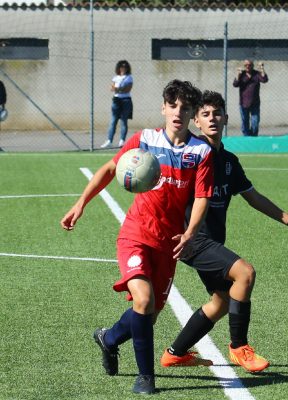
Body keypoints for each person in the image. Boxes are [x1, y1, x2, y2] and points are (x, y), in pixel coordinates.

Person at [61, 80, 214, 394]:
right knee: (143, 301)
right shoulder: (144, 140)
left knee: (149, 315)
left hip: (169, 244)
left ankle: (109, 338)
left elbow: (202, 197)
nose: (178, 112)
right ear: (163, 107)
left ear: (191, 114)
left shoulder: (200, 151)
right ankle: (146, 377)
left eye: (185, 108)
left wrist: (190, 231)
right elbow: (108, 168)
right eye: (173, 105)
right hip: (136, 235)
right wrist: (80, 204)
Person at [159, 90, 288, 373]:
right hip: (192, 239)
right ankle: (239, 348)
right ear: (196, 121)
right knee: (245, 273)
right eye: (205, 114)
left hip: (210, 241)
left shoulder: (228, 161)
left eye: (217, 113)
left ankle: (175, 353)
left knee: (222, 302)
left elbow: (253, 197)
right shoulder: (190, 155)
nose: (212, 119)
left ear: (226, 118)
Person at [101, 60, 134, 148]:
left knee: (124, 121)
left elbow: (127, 89)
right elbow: (112, 88)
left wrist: (118, 88)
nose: (123, 69)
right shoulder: (115, 77)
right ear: (118, 68)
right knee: (113, 121)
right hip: (116, 100)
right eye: (121, 67)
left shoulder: (129, 77)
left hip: (126, 100)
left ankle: (122, 141)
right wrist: (119, 89)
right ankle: (109, 140)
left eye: (125, 67)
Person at [232, 59, 268, 136]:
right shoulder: (242, 74)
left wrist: (262, 68)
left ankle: (254, 137)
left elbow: (264, 80)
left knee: (255, 122)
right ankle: (246, 138)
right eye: (246, 65)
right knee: (245, 122)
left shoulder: (257, 74)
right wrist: (238, 75)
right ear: (244, 66)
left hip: (255, 103)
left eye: (249, 65)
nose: (248, 66)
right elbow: (235, 84)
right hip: (243, 103)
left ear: (252, 66)